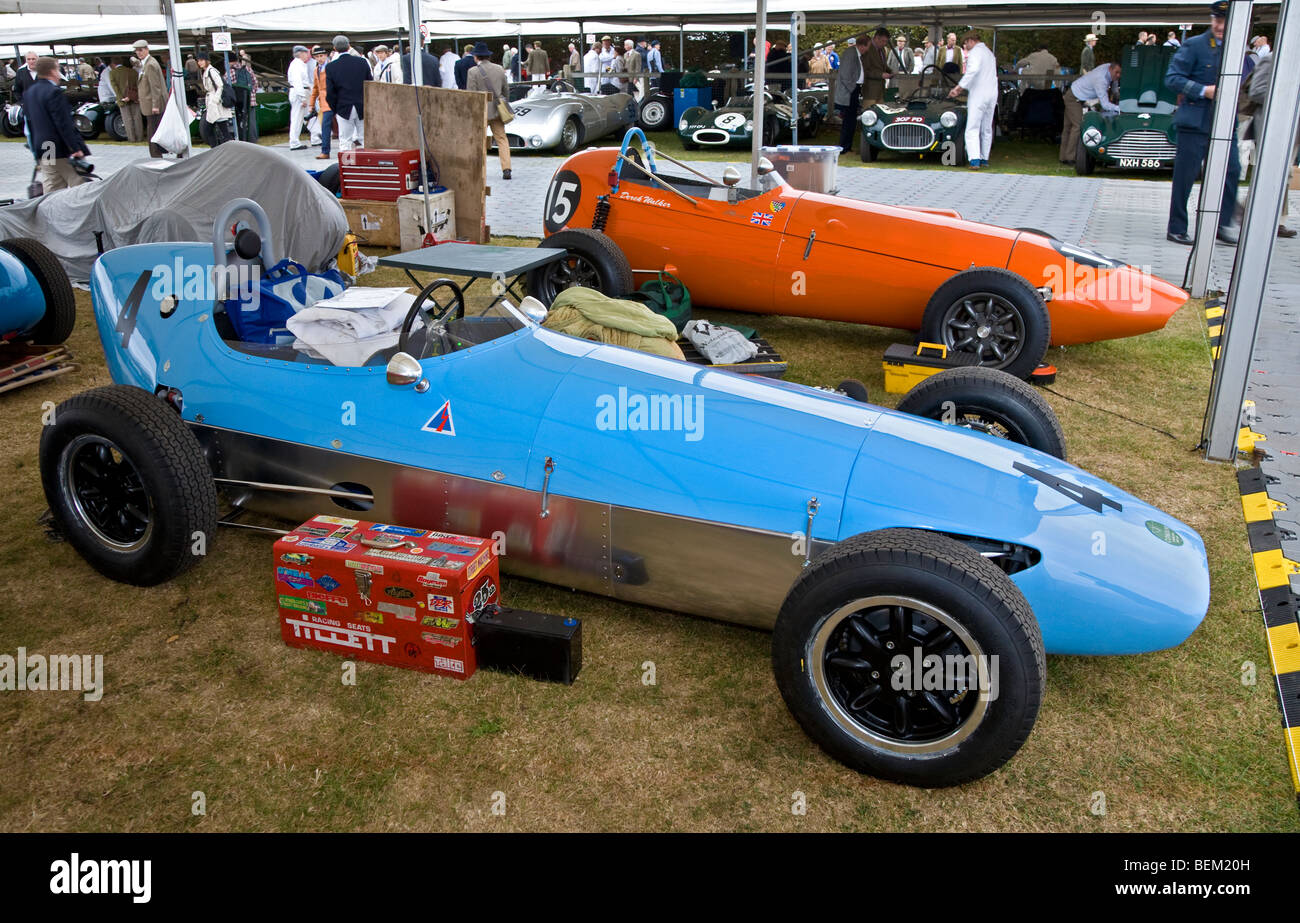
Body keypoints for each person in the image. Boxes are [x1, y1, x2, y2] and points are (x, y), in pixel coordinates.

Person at [1165, 2, 1241, 245]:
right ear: (1211, 20)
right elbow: (1172, 78)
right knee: (1186, 176)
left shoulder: (1237, 47)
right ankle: (1177, 227)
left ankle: (1222, 225)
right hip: (1195, 121)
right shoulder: (1194, 45)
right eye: (1216, 21)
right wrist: (1202, 90)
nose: (1220, 26)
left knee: (1232, 171)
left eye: (1225, 22)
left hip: (1225, 121)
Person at [1242, 54, 1298, 237]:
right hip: (1272, 126)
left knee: (1285, 175)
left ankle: (1275, 220)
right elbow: (1256, 91)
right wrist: (1291, 94)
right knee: (1272, 173)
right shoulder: (1273, 59)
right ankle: (1250, 212)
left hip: (1293, 128)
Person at [25, 57, 89, 192]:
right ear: (53, 71)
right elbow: (63, 123)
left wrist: (34, 150)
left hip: (43, 147)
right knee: (80, 184)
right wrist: (75, 147)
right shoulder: (54, 92)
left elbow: (29, 124)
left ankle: (50, 212)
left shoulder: (29, 93)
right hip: (59, 147)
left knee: (53, 187)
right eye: (57, 68)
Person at [949, 31, 997, 168]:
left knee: (972, 128)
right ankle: (984, 158)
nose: (965, 46)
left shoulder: (975, 53)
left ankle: (974, 159)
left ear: (971, 40)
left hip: (979, 93)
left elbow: (972, 71)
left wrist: (959, 87)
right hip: (992, 93)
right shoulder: (989, 53)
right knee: (987, 128)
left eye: (965, 43)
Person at [467, 42, 511, 181]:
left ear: (476, 57)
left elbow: (471, 95)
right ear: (488, 56)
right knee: (502, 139)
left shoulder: (472, 72)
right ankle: (506, 168)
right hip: (497, 110)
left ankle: (478, 170)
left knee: (478, 141)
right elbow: (506, 91)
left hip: (481, 111)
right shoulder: (499, 69)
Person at [1060, 62, 1121, 162]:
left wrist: (1118, 96)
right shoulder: (1101, 79)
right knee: (1077, 126)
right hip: (1074, 98)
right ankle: (1070, 157)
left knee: (1068, 127)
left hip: (1074, 94)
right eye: (1116, 72)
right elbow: (1105, 104)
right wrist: (1119, 108)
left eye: (1120, 73)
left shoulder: (1109, 70)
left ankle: (1063, 157)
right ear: (1110, 69)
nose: (1118, 75)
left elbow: (1114, 89)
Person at [325, 34, 370, 151]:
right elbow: (370, 85)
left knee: (345, 140)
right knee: (365, 139)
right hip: (362, 104)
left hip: (343, 106)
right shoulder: (362, 62)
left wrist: (335, 108)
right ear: (349, 46)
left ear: (334, 48)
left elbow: (330, 92)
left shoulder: (331, 67)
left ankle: (346, 167)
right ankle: (367, 164)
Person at [133, 40, 166, 158]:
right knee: (153, 131)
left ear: (147, 49)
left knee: (153, 131)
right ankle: (156, 156)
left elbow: (155, 86)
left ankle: (156, 157)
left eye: (141, 50)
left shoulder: (150, 64)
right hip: (149, 103)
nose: (138, 53)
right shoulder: (146, 63)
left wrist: (155, 105)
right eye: (137, 50)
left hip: (153, 104)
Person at [833, 34, 864, 153]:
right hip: (850, 90)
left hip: (853, 89)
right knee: (848, 120)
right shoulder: (851, 54)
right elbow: (846, 75)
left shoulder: (855, 54)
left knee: (851, 120)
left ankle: (847, 145)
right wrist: (853, 88)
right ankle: (844, 146)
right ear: (862, 46)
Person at [195, 51, 233, 146]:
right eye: (198, 61)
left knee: (213, 129)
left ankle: (217, 148)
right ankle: (216, 148)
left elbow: (220, 85)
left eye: (202, 60)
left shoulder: (211, 71)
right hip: (213, 103)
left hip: (216, 103)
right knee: (216, 129)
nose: (200, 62)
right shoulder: (207, 71)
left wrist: (215, 100)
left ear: (207, 60)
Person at [286, 44, 313, 150]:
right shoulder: (297, 65)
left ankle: (316, 137)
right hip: (298, 92)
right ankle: (294, 142)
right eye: (306, 53)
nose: (308, 55)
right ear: (301, 53)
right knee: (297, 118)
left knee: (306, 117)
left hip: (302, 91)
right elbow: (298, 82)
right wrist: (302, 97)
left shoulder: (300, 64)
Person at [307, 45, 332, 159]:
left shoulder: (331, 67)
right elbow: (316, 88)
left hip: (333, 99)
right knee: (325, 126)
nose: (320, 58)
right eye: (317, 56)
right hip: (324, 102)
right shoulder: (316, 70)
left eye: (321, 56)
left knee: (340, 127)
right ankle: (325, 151)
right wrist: (311, 105)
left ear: (326, 56)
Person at [108, 57, 141, 142]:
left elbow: (115, 88)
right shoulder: (133, 72)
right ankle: (139, 137)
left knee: (127, 119)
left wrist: (122, 98)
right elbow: (138, 85)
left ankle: (132, 138)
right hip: (134, 97)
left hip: (123, 99)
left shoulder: (112, 73)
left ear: (113, 64)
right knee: (137, 118)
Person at [228, 50, 258, 143]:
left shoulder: (230, 72)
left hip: (239, 103)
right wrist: (252, 94)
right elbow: (255, 83)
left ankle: (243, 141)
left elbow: (227, 87)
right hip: (251, 101)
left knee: (239, 123)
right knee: (251, 122)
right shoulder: (248, 69)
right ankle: (253, 141)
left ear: (229, 61)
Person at [861, 28, 893, 109]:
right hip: (870, 91)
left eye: (886, 41)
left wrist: (890, 71)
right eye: (883, 41)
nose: (884, 43)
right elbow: (865, 70)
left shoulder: (882, 49)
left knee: (880, 114)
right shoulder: (867, 48)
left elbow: (882, 65)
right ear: (876, 38)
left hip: (880, 90)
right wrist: (880, 75)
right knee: (869, 114)